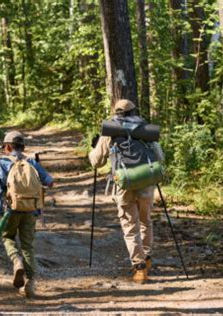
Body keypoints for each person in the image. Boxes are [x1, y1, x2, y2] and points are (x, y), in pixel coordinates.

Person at [89, 99, 164, 283]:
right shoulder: (144, 130)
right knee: (146, 221)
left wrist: (95, 147)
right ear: (134, 112)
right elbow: (160, 157)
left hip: (123, 184)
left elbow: (96, 162)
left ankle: (139, 267)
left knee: (130, 225)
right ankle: (146, 257)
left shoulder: (111, 132)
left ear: (116, 113)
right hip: (146, 181)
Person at [0, 131, 54, 297]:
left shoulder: (1, 163)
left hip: (9, 210)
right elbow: (50, 181)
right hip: (30, 210)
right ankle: (30, 284)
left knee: (8, 238)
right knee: (28, 245)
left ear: (7, 147)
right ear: (23, 147)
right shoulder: (31, 161)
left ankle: (16, 261)